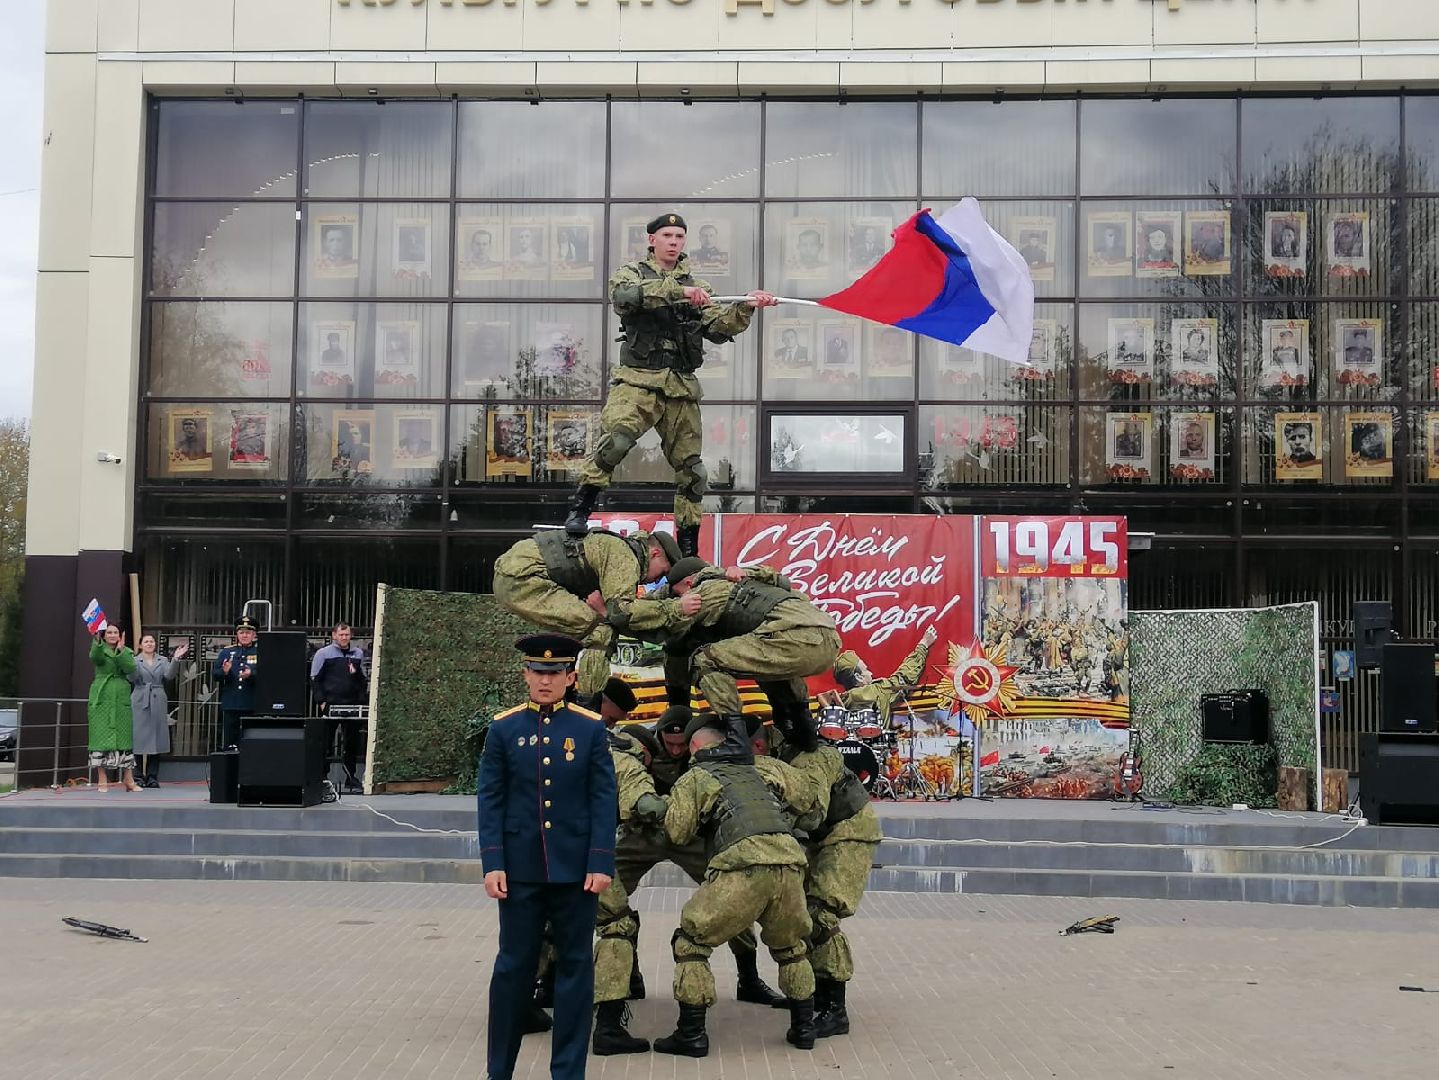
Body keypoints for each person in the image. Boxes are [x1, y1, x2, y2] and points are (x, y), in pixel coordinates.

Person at [563, 213, 777, 555]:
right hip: (638, 380)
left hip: (680, 385)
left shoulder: (700, 287)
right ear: (652, 240)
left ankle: (688, 547)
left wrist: (745, 306)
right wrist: (678, 291)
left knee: (693, 472)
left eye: (679, 236)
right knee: (615, 443)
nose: (674, 242)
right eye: (667, 235)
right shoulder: (632, 273)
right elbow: (624, 297)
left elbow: (718, 328)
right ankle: (580, 510)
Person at [478, 633, 617, 1080]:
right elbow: (491, 799)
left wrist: (600, 861)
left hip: (576, 872)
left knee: (576, 969)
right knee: (512, 969)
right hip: (519, 871)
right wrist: (493, 862)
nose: (545, 680)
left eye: (554, 673)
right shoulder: (504, 728)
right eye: (538, 672)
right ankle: (499, 1070)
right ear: (525, 674)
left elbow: (603, 799)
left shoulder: (589, 728)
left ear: (570, 678)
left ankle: (568, 1073)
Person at [652, 714, 821, 1056]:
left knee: (691, 942)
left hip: (742, 865)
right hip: (790, 862)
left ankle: (691, 1034)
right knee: (792, 948)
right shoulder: (765, 766)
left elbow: (677, 832)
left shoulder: (697, 776)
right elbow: (809, 802)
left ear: (695, 746)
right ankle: (804, 1028)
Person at [646, 557, 839, 753]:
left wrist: (633, 614)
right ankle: (803, 732)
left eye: (679, 594)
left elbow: (669, 627)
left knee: (707, 660)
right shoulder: (749, 582)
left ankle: (735, 741)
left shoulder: (706, 590)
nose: (681, 598)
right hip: (827, 639)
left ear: (689, 583)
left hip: (793, 638)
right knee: (766, 663)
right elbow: (782, 580)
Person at [779, 721, 884, 1038]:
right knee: (801, 913)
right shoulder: (780, 754)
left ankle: (835, 1010)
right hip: (821, 837)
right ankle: (816, 994)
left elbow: (813, 812)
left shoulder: (813, 759)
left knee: (821, 914)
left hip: (849, 831)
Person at [492, 527, 682, 701]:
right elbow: (621, 612)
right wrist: (675, 609)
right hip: (523, 579)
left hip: (515, 571)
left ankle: (565, 695)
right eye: (662, 571)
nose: (657, 579)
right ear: (654, 553)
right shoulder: (626, 556)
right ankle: (587, 705)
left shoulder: (618, 547)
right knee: (599, 629)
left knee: (581, 625)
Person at [827, 625, 938, 731]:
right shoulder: (874, 692)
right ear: (858, 677)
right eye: (866, 670)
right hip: (876, 744)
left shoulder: (838, 702)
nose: (870, 673)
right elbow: (904, 678)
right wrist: (923, 644)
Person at [311, 623, 370, 792]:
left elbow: (362, 679)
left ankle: (351, 777)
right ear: (334, 635)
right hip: (331, 704)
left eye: (347, 635)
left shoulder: (358, 653)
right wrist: (321, 701)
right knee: (326, 743)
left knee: (352, 744)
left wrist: (361, 700)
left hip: (352, 705)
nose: (344, 638)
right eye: (341, 635)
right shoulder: (323, 653)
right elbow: (315, 679)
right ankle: (323, 777)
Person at [129, 632, 189, 789]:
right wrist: (129, 664)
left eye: (152, 641)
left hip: (157, 699)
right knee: (137, 738)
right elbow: (131, 678)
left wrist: (175, 659)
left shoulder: (162, 660)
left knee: (156, 738)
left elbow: (169, 675)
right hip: (140, 698)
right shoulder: (134, 660)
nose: (149, 644)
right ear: (140, 645)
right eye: (146, 641)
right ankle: (137, 776)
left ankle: (152, 777)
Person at [88, 625, 139, 792]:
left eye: (115, 632)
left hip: (121, 696)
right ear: (104, 635)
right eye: (109, 632)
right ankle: (102, 778)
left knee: (124, 737)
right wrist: (97, 641)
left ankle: (129, 778)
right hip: (102, 696)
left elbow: (130, 669)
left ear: (120, 635)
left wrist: (121, 651)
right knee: (99, 737)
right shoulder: (99, 649)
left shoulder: (127, 651)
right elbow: (95, 658)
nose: (112, 635)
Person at [212, 616, 259, 748]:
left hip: (251, 703)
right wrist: (225, 671)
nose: (244, 635)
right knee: (230, 742)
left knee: (250, 741)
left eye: (248, 633)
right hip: (231, 703)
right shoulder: (227, 652)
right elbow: (215, 675)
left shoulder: (259, 651)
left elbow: (267, 677)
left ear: (254, 635)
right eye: (241, 632)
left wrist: (251, 675)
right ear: (237, 634)